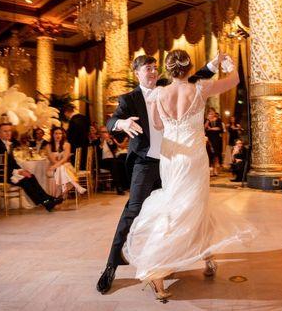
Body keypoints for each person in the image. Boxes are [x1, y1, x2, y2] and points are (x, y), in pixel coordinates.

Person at [120, 49, 254, 301]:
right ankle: (155, 267)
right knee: (194, 205)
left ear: (167, 70)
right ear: (189, 68)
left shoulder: (159, 94)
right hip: (193, 156)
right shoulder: (201, 88)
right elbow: (235, 80)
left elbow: (158, 126)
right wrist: (229, 64)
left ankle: (205, 258)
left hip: (171, 156)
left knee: (175, 206)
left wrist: (175, 125)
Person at [96, 53, 219, 295]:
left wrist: (214, 63)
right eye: (147, 69)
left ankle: (167, 259)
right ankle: (111, 265)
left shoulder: (167, 87)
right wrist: (121, 124)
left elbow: (196, 76)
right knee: (133, 211)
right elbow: (113, 120)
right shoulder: (129, 99)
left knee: (176, 211)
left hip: (173, 163)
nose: (152, 72)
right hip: (146, 164)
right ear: (137, 73)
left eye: (154, 68)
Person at [0, 123, 62, 212]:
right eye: (5, 131)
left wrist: (22, 170)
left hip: (6, 173)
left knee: (31, 176)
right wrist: (19, 172)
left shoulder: (7, 144)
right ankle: (47, 201)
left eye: (9, 131)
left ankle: (47, 201)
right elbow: (1, 166)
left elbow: (12, 163)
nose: (8, 133)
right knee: (26, 180)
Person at [47, 127, 86, 197]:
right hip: (54, 165)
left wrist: (56, 166)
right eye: (56, 133)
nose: (58, 135)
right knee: (61, 168)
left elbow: (65, 159)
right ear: (52, 135)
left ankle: (64, 189)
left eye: (60, 133)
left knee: (61, 168)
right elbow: (51, 159)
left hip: (65, 165)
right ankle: (76, 186)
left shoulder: (67, 144)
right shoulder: (48, 146)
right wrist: (56, 165)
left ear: (63, 135)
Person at [96, 126, 124, 195]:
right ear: (100, 133)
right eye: (103, 132)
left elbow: (115, 148)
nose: (105, 133)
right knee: (113, 163)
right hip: (102, 162)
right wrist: (102, 143)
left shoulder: (110, 140)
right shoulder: (96, 141)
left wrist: (110, 142)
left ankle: (125, 185)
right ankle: (118, 187)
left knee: (122, 162)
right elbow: (96, 154)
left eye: (106, 131)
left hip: (112, 160)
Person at [63, 104, 90, 169]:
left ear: (66, 112)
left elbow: (71, 137)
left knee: (74, 167)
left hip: (76, 149)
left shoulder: (73, 121)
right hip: (85, 147)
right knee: (83, 166)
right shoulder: (85, 118)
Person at [205, 109, 224, 176]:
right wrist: (208, 120)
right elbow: (204, 128)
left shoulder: (218, 120)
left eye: (212, 112)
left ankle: (215, 169)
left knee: (216, 154)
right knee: (210, 154)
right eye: (210, 112)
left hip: (216, 139)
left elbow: (220, 128)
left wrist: (211, 129)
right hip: (209, 139)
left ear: (214, 113)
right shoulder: (207, 120)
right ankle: (211, 170)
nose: (211, 114)